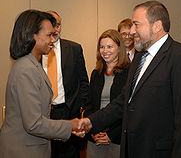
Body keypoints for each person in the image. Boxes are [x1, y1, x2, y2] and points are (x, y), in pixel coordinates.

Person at [80, 0, 181, 158]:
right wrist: (90, 122)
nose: (131, 31)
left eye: (136, 24)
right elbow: (123, 101)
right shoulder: (139, 59)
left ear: (156, 26)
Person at [0, 10, 83, 158]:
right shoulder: (26, 69)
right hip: (23, 150)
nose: (53, 40)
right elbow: (34, 123)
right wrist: (71, 125)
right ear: (33, 35)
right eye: (49, 35)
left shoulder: (32, 64)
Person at [43, 11, 89, 158]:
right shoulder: (37, 51)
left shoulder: (74, 49)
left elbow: (83, 81)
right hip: (44, 114)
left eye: (58, 25)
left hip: (67, 112)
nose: (56, 29)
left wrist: (80, 107)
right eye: (52, 25)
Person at [85, 29, 130, 158]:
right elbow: (89, 104)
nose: (105, 51)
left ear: (119, 48)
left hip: (116, 139)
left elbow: (126, 109)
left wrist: (111, 135)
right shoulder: (96, 74)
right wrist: (93, 129)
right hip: (95, 137)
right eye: (102, 47)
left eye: (110, 46)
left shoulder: (128, 73)